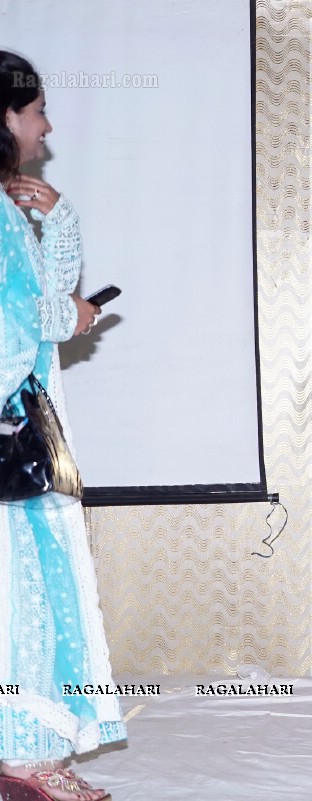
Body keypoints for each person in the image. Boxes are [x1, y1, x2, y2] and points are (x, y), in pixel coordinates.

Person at [0, 51, 123, 801]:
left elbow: (44, 303)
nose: (46, 127)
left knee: (29, 586)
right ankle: (21, 751)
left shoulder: (9, 208)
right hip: (10, 429)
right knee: (19, 592)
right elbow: (18, 325)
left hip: (22, 420)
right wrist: (64, 318)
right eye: (36, 110)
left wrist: (62, 220)